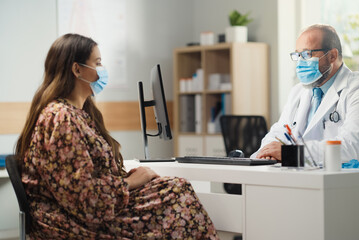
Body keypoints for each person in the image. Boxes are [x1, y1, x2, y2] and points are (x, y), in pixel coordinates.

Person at [15, 33, 218, 239]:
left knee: (175, 188)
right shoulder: (61, 118)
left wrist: (126, 180)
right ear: (77, 69)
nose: (102, 71)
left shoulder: (77, 113)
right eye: (98, 63)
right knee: (177, 193)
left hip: (93, 209)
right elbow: (84, 200)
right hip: (72, 222)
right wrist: (130, 183)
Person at [251, 24, 359, 164]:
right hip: (304, 174)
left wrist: (289, 153)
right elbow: (278, 133)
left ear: (332, 56)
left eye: (306, 54)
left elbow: (352, 148)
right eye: (298, 55)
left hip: (350, 179)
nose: (300, 62)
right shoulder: (299, 92)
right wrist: (269, 152)